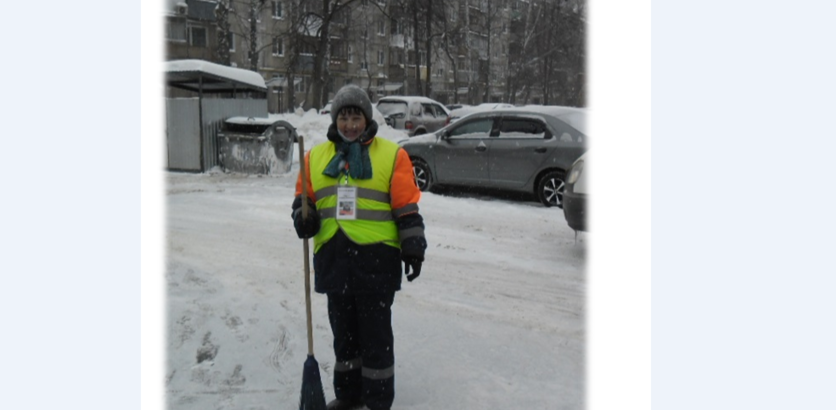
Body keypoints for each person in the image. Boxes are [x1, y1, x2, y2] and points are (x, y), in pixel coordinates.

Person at [291, 84, 427, 410]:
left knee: (375, 336)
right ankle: (349, 394)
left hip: (376, 262)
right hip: (334, 260)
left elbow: (406, 206)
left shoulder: (392, 155)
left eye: (356, 117)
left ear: (366, 119)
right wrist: (302, 217)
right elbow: (303, 199)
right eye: (344, 117)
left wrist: (413, 245)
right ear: (335, 120)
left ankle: (378, 399)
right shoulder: (315, 157)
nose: (350, 125)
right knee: (345, 336)